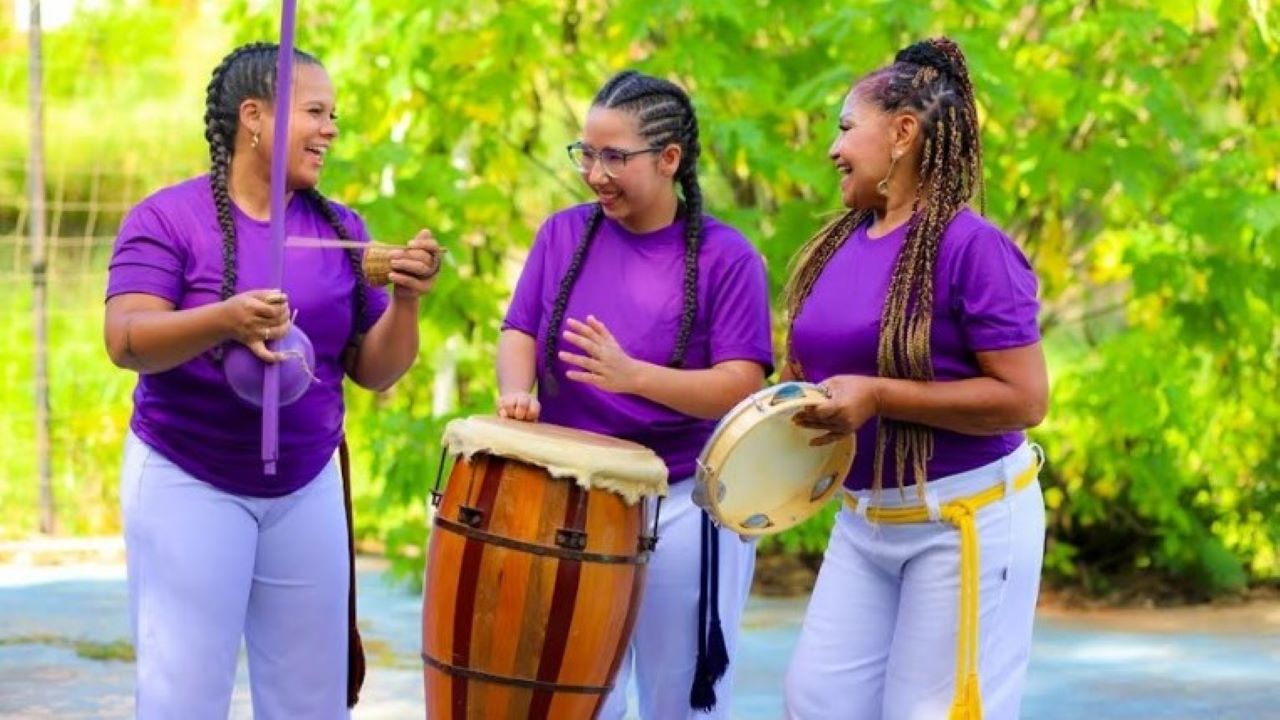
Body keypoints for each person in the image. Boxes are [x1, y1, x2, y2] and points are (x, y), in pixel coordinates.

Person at [103, 42, 442, 720]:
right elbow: (126, 339)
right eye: (316, 112)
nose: (331, 129)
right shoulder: (168, 219)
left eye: (333, 115)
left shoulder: (341, 228)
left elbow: (375, 369)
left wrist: (407, 300)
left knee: (311, 704)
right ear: (254, 118)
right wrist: (222, 320)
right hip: (188, 478)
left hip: (305, 484)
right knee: (184, 699)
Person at [780, 37, 1049, 720]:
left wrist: (878, 396)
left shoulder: (972, 247)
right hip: (864, 520)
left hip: (963, 521)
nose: (834, 149)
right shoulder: (842, 242)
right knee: (818, 704)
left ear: (902, 133)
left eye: (846, 128)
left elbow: (1026, 399)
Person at [496, 70, 773, 719]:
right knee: (576, 697)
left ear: (669, 159)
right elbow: (519, 331)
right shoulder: (562, 234)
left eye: (614, 157)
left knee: (679, 702)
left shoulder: (726, 258)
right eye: (586, 153)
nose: (594, 172)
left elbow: (741, 386)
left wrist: (634, 376)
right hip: (567, 495)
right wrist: (516, 395)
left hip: (684, 502)